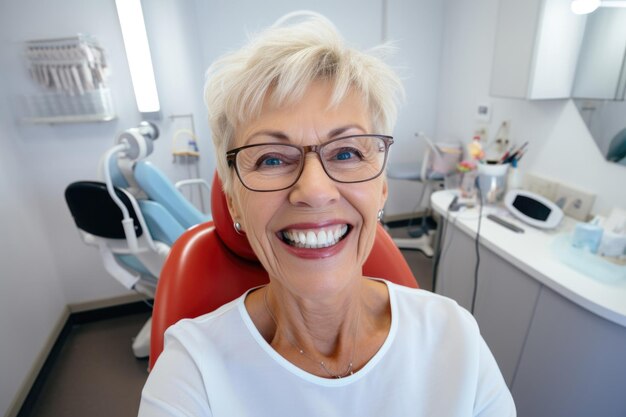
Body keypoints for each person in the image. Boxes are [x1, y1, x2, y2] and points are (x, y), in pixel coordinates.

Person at [139, 12, 515, 417]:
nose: (315, 191)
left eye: (347, 152)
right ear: (234, 203)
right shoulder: (191, 373)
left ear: (381, 188)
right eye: (270, 159)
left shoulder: (455, 340)